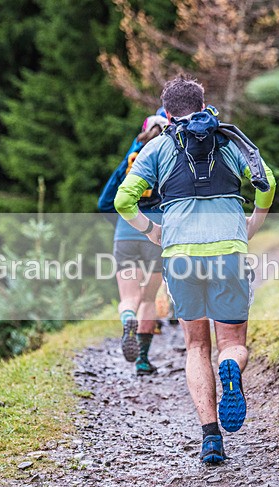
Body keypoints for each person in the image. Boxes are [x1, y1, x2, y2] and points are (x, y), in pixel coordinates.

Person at [114, 76, 276, 464]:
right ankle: (230, 369)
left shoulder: (156, 146)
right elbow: (266, 184)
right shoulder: (233, 140)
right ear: (204, 104)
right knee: (232, 343)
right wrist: (252, 223)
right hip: (229, 251)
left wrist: (153, 230)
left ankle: (211, 439)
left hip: (181, 255)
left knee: (196, 345)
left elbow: (123, 200)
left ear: (167, 113)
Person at [98, 111, 169, 375]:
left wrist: (122, 223)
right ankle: (142, 360)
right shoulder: (168, 157)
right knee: (148, 299)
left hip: (125, 233)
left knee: (129, 297)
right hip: (157, 234)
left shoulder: (130, 160)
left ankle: (127, 319)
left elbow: (105, 202)